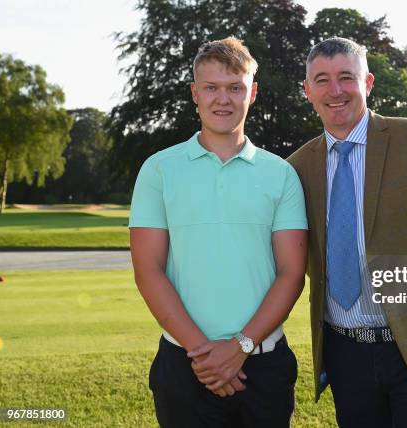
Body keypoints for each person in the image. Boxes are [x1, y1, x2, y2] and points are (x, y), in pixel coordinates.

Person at [287, 37, 407, 427]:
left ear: (368, 82)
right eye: (322, 80)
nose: (336, 90)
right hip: (345, 354)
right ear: (308, 90)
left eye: (347, 77)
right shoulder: (296, 167)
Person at [129, 36, 308, 428]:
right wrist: (206, 356)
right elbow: (148, 271)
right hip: (185, 366)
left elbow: (291, 273)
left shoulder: (281, 174)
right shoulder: (159, 169)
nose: (222, 99)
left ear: (253, 92)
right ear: (195, 93)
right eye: (211, 87)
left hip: (265, 367)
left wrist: (240, 346)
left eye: (234, 87)